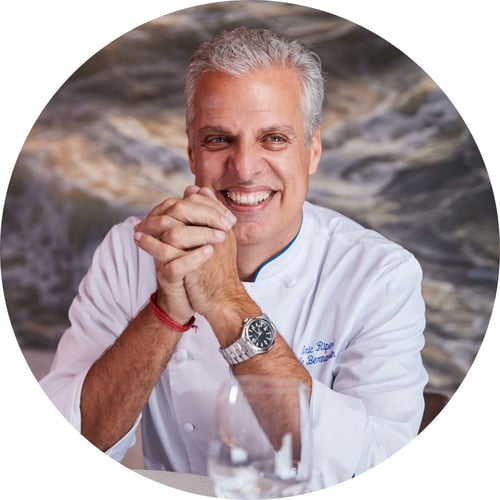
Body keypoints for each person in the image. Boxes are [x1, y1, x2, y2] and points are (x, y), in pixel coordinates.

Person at [40, 27, 428, 487]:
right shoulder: (132, 252)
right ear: (191, 152)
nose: (244, 168)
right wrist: (165, 312)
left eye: (274, 139)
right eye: (219, 140)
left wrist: (226, 302)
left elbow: (379, 471)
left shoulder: (380, 276)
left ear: (313, 150)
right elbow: (62, 448)